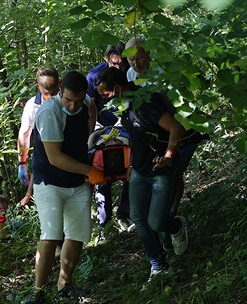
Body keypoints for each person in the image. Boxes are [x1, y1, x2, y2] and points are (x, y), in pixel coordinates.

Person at [96, 67, 189, 284]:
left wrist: (167, 156)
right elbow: (137, 139)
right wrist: (130, 168)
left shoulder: (147, 102)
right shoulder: (125, 106)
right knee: (138, 219)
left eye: (105, 94)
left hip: (160, 172)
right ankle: (158, 266)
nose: (103, 99)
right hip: (138, 171)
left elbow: (176, 129)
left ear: (118, 89)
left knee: (156, 222)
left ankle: (176, 227)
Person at [24, 71, 106, 304]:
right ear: (61, 91)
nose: (72, 105)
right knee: (50, 235)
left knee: (77, 234)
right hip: (49, 181)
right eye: (69, 99)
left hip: (76, 181)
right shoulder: (49, 113)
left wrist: (89, 148)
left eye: (77, 100)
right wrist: (90, 171)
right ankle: (38, 291)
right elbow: (55, 157)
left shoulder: (87, 103)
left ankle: (64, 284)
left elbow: (90, 117)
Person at [125, 36, 202, 251]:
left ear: (149, 53)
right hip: (154, 138)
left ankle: (172, 218)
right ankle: (164, 223)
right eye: (131, 61)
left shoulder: (165, 75)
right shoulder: (130, 75)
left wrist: (172, 146)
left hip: (179, 131)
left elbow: (179, 111)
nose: (136, 64)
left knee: (174, 173)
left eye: (139, 58)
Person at [18, 67, 97, 206]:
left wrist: (89, 136)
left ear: (60, 86)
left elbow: (90, 104)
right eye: (45, 93)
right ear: (38, 87)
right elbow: (24, 134)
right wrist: (22, 163)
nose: (50, 97)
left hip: (73, 163)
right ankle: (29, 196)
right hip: (46, 161)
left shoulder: (74, 99)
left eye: (54, 92)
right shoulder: (33, 106)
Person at [86, 43, 134, 238]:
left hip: (127, 124)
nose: (118, 67)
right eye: (114, 63)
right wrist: (91, 135)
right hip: (102, 126)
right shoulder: (94, 76)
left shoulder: (130, 72)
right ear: (106, 59)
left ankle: (126, 214)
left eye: (121, 63)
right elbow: (90, 106)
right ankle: (103, 222)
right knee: (101, 170)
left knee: (130, 165)